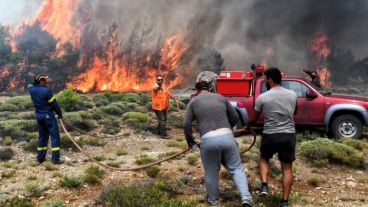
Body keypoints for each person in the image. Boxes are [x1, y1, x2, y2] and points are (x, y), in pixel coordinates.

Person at [184, 81, 254, 207]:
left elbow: (186, 124)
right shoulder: (221, 97)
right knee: (236, 169)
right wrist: (227, 129)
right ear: (210, 89)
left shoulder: (193, 101)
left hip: (208, 139)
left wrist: (191, 143)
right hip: (227, 136)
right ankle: (246, 198)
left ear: (196, 90)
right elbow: (235, 117)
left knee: (211, 172)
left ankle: (214, 202)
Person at [246, 68, 297, 207]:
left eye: (265, 79)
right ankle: (284, 202)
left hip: (270, 134)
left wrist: (247, 126)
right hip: (288, 135)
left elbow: (254, 118)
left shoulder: (263, 97)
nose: (264, 81)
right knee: (287, 168)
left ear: (270, 80)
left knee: (264, 158)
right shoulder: (292, 94)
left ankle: (264, 185)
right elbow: (295, 111)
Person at [28, 74, 63, 164]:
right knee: (55, 136)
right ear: (41, 81)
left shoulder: (31, 89)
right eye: (44, 81)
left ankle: (40, 158)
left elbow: (30, 84)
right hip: (48, 116)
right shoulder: (46, 91)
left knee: (42, 137)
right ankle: (55, 159)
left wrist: (36, 81)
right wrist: (59, 114)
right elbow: (54, 104)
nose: (46, 83)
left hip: (39, 117)